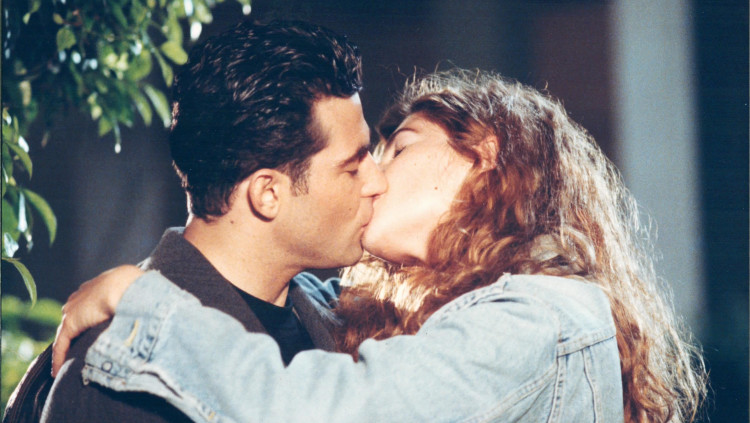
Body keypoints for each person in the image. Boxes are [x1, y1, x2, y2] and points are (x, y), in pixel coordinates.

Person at [53, 69, 706, 422]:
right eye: (360, 159)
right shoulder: (454, 320)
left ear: (483, 157)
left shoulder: (539, 318)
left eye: (397, 149)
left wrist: (145, 301)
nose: (372, 178)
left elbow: (329, 411)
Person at [3, 19, 387, 423]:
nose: (378, 182)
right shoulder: (121, 372)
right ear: (268, 194)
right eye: (353, 166)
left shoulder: (342, 321)